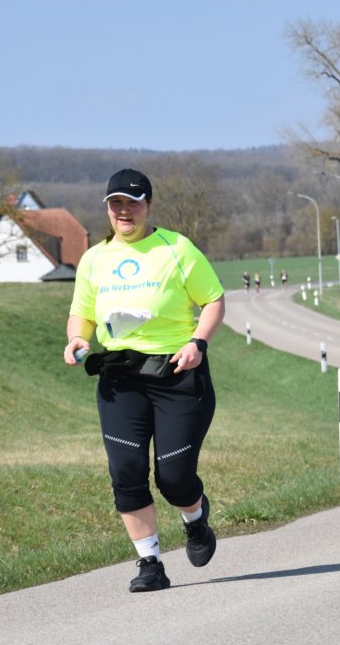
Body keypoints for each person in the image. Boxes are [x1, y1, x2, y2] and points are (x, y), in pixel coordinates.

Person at [64, 168, 226, 593]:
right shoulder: (94, 259)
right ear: (108, 208)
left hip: (177, 373)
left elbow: (213, 301)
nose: (124, 211)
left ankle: (195, 520)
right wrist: (77, 338)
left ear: (148, 205)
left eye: (132, 203)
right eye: (115, 203)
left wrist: (198, 343)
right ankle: (150, 563)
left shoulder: (177, 248)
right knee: (127, 473)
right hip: (120, 379)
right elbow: (81, 311)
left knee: (174, 478)